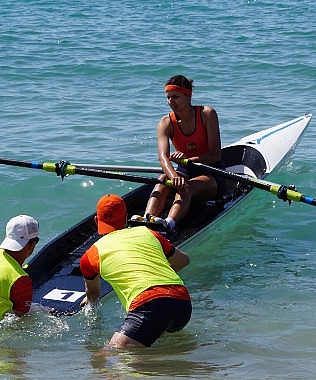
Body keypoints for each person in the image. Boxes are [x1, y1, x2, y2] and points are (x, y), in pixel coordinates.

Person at [80, 194, 192, 348]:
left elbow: (93, 295)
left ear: (96, 220)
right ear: (126, 218)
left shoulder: (91, 255)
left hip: (149, 305)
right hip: (182, 304)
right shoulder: (149, 233)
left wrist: (89, 300)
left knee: (110, 356)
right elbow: (184, 260)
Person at [135, 74, 225, 231]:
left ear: (188, 96)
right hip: (185, 171)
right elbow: (163, 158)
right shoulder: (166, 122)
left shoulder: (207, 114)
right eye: (168, 97)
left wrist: (188, 159)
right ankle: (146, 220)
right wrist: (174, 177)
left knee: (186, 187)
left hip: (212, 171)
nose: (171, 102)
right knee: (163, 179)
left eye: (175, 97)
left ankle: (169, 223)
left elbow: (215, 154)